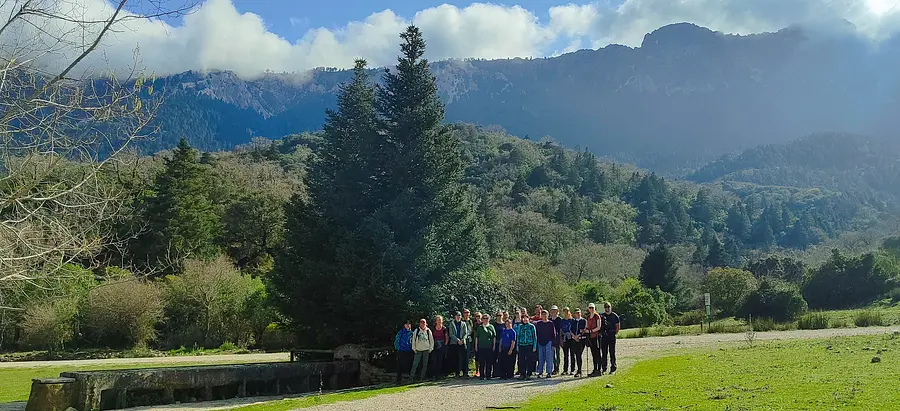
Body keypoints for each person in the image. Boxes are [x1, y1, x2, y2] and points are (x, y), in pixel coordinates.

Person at [600, 302, 621, 375]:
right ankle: (604, 368)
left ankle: (613, 368)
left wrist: (614, 333)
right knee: (604, 353)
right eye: (606, 307)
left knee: (612, 352)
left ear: (610, 307)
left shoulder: (614, 316)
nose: (607, 308)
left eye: (608, 307)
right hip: (604, 336)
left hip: (611, 336)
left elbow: (618, 326)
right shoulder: (602, 316)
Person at [474, 313, 497, 380]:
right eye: (484, 318)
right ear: (482, 319)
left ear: (489, 319)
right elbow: (477, 337)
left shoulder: (491, 327)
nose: (485, 320)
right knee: (482, 362)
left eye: (487, 318)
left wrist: (494, 345)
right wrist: (476, 346)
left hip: (489, 347)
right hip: (481, 346)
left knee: (489, 362)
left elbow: (494, 337)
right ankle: (482, 375)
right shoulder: (480, 327)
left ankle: (488, 375)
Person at [535, 310, 557, 378]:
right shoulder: (538, 323)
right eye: (543, 314)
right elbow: (536, 334)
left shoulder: (550, 323)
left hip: (549, 342)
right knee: (540, 358)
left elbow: (554, 334)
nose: (544, 316)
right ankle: (540, 372)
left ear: (548, 315)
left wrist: (554, 344)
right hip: (540, 342)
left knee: (549, 358)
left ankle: (549, 372)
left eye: (545, 314)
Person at [448, 311, 470, 378]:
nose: (458, 317)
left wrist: (462, 340)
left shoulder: (463, 324)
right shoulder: (451, 324)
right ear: (455, 316)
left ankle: (465, 372)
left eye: (459, 315)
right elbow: (451, 334)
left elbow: (466, 333)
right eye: (457, 315)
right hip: (454, 343)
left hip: (462, 342)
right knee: (456, 358)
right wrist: (457, 340)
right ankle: (457, 373)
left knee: (464, 358)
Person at [584, 303, 604, 376]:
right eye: (590, 308)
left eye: (592, 308)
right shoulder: (588, 317)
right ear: (588, 309)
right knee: (593, 354)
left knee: (597, 353)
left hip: (596, 337)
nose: (591, 309)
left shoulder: (597, 316)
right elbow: (586, 326)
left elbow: (599, 327)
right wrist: (585, 330)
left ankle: (599, 369)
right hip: (591, 337)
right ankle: (595, 369)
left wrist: (590, 331)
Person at [516, 315, 537, 380]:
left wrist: (534, 346)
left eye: (526, 318)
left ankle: (529, 374)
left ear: (528, 319)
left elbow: (534, 337)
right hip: (521, 345)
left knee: (529, 360)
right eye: (523, 318)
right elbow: (518, 336)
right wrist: (517, 346)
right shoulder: (520, 326)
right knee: (521, 360)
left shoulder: (531, 326)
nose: (525, 319)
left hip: (529, 345)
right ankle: (522, 374)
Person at [569, 308, 587, 378]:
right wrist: (574, 336)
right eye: (576, 313)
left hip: (581, 339)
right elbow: (570, 330)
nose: (578, 314)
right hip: (574, 339)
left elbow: (584, 329)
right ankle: (577, 370)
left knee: (579, 354)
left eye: (579, 313)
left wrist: (578, 336)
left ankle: (579, 370)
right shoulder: (573, 321)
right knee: (576, 354)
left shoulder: (583, 320)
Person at [559, 307, 573, 375]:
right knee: (565, 355)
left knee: (572, 354)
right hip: (565, 338)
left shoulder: (572, 320)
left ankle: (572, 370)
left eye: (567, 311)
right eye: (564, 311)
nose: (566, 313)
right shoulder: (562, 321)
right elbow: (561, 330)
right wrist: (561, 339)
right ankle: (565, 370)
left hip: (571, 338)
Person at [550, 305, 563, 375]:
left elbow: (561, 329)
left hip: (557, 338)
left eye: (555, 310)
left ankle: (557, 368)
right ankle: (554, 367)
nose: (553, 312)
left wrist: (560, 339)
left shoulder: (559, 319)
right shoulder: (550, 319)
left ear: (557, 311)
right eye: (552, 310)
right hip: (551, 338)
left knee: (557, 354)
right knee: (552, 354)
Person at [462, 309, 475, 377]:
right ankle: (462, 371)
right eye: (465, 312)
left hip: (469, 339)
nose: (467, 314)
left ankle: (466, 371)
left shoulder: (470, 321)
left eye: (468, 312)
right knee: (462, 356)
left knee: (467, 355)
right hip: (463, 339)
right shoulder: (461, 321)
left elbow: (472, 330)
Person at [492, 312, 505, 378]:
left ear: (502, 316)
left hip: (503, 343)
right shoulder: (494, 324)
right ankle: (494, 373)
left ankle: (501, 372)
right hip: (496, 342)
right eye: (498, 315)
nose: (499, 316)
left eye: (500, 315)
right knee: (494, 358)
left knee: (501, 358)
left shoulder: (504, 324)